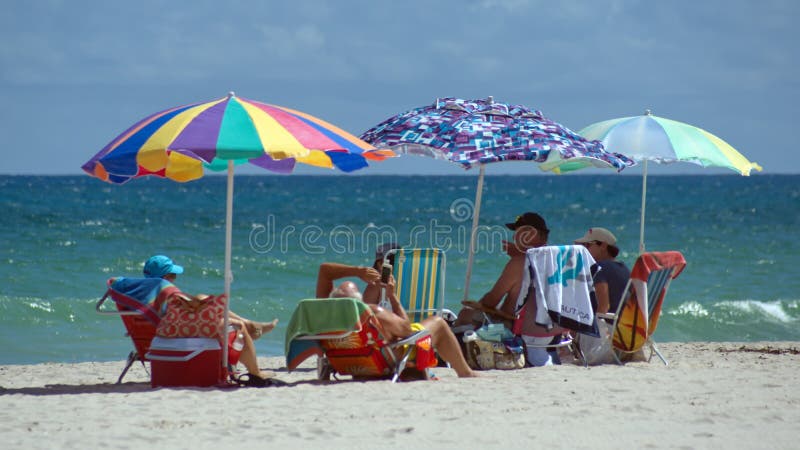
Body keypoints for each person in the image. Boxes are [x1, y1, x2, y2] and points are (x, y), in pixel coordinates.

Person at [143, 255, 278, 386]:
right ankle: (255, 371)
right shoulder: (166, 290)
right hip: (181, 331)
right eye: (173, 275)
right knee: (237, 325)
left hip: (164, 334)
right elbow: (186, 310)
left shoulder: (144, 294)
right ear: (165, 277)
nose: (174, 279)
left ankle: (251, 324)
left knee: (205, 302)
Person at [327, 278, 477, 378]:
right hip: (386, 359)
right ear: (358, 302)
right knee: (438, 323)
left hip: (355, 362)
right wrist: (393, 297)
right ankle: (466, 372)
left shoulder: (331, 320)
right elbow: (407, 331)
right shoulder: (373, 312)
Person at [453, 212, 550, 327]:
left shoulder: (519, 263)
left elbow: (491, 301)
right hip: (547, 330)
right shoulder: (554, 260)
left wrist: (479, 305)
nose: (514, 237)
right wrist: (520, 255)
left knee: (465, 314)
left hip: (515, 328)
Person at [314, 242, 400, 304]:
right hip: (407, 324)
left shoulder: (376, 285)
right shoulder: (411, 283)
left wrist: (358, 271)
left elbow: (324, 270)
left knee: (347, 285)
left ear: (380, 264)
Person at [574, 228, 631, 315]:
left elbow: (602, 309)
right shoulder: (624, 268)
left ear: (603, 246)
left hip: (608, 325)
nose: (584, 249)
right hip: (623, 324)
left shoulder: (600, 269)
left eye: (588, 245)